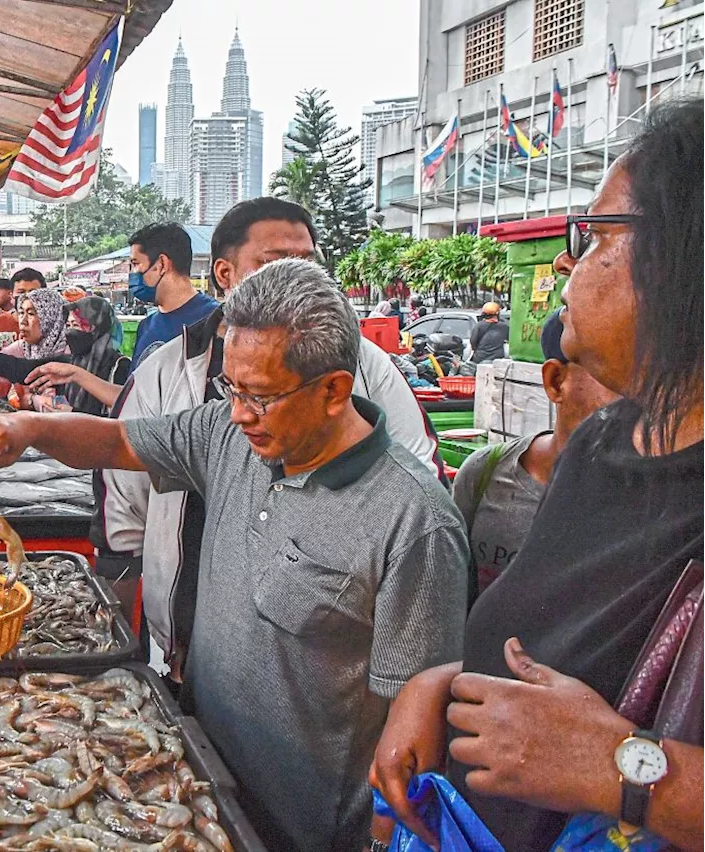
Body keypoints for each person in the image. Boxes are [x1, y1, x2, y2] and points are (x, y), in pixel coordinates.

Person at [0, 259, 468, 850]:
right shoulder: (230, 436)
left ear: (334, 390)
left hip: (302, 828)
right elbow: (120, 439)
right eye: (231, 388)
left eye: (259, 396)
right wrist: (25, 428)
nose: (237, 412)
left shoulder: (414, 523)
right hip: (194, 775)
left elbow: (413, 721)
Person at [371, 101, 705, 852]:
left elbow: (598, 742)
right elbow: (552, 652)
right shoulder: (603, 444)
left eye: (592, 237)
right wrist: (441, 684)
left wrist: (627, 771)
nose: (564, 263)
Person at [100, 197, 444, 678]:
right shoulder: (169, 371)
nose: (299, 276)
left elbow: (416, 480)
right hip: (187, 650)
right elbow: (124, 494)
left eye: (309, 262)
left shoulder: (364, 364)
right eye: (277, 262)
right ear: (224, 273)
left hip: (320, 669)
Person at [452, 310, 618, 596]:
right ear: (555, 381)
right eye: (610, 370)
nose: (634, 391)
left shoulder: (652, 498)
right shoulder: (485, 474)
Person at [0, 295, 131, 416]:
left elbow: (126, 419)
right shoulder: (70, 362)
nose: (72, 332)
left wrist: (74, 414)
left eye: (80, 326)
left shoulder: (119, 367)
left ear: (100, 329)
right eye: (69, 326)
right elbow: (15, 367)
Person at [126, 223, 218, 366]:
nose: (132, 273)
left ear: (162, 264)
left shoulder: (214, 320)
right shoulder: (146, 326)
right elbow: (135, 388)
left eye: (136, 263)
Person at [0, 268, 45, 353]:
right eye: (21, 292)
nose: (27, 297)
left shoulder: (54, 327)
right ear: (11, 295)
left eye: (33, 292)